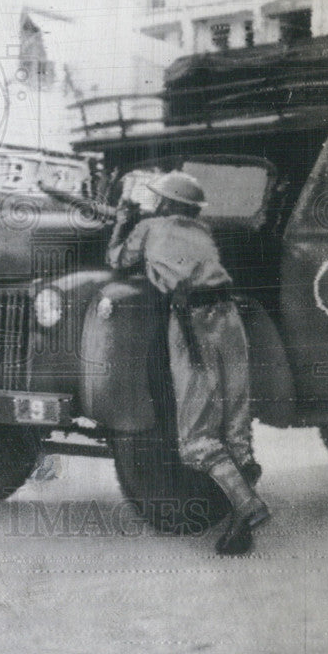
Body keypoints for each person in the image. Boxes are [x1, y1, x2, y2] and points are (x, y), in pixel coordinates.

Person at [107, 170, 269, 556]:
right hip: (229, 318)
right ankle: (240, 512)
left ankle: (248, 508)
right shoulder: (203, 230)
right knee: (235, 429)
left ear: (165, 203)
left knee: (196, 440)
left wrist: (120, 223)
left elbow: (117, 259)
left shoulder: (149, 227)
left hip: (192, 324)